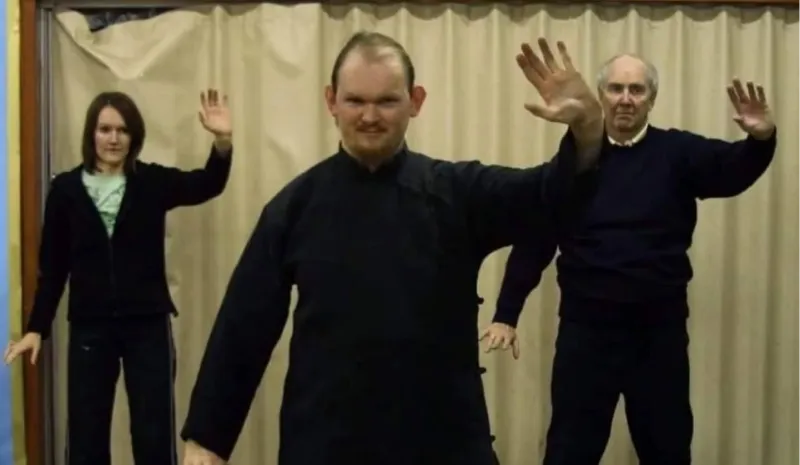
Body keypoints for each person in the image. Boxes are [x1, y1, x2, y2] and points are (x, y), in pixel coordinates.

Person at [180, 32, 605, 465]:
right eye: (355, 101)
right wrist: (207, 438)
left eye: (386, 101)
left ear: (415, 101)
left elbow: (548, 197)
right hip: (327, 440)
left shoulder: (457, 194)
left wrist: (588, 129)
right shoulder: (296, 207)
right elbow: (244, 324)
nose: (369, 116)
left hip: (443, 440)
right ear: (331, 101)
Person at [484, 53, 777, 465]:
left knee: (668, 449)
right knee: (570, 450)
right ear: (601, 96)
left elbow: (731, 170)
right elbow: (537, 238)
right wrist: (506, 312)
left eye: (636, 89)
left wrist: (761, 140)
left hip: (659, 335)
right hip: (586, 334)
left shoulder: (678, 152)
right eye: (616, 88)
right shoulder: (574, 163)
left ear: (651, 100)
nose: (626, 98)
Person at [3, 89, 234, 465]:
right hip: (90, 328)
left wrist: (222, 140)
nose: (113, 139)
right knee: (86, 437)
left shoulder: (151, 182)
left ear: (134, 136)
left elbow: (208, 183)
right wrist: (36, 328)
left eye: (123, 131)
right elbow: (54, 267)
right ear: (91, 134)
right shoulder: (65, 190)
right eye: (105, 129)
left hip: (148, 326)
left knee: (153, 434)